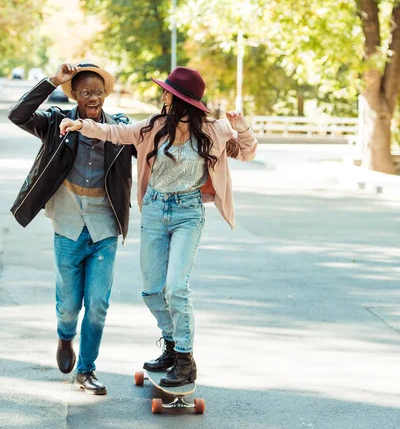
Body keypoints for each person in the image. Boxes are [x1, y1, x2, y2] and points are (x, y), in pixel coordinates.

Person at [60, 66, 258, 387]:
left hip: (188, 212)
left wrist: (242, 127)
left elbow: (247, 152)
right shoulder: (152, 128)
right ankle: (170, 342)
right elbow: (112, 133)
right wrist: (80, 124)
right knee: (152, 292)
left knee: (176, 289)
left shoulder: (213, 130)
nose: (162, 95)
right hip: (154, 211)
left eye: (167, 92)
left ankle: (184, 357)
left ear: (179, 99)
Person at [9, 62, 137, 395]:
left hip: (105, 227)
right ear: (74, 95)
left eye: (98, 92)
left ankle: (87, 370)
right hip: (68, 224)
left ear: (106, 93)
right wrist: (51, 81)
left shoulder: (119, 129)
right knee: (69, 306)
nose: (92, 98)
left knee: (97, 303)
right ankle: (66, 337)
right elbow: (18, 115)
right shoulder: (55, 123)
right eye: (85, 92)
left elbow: (152, 143)